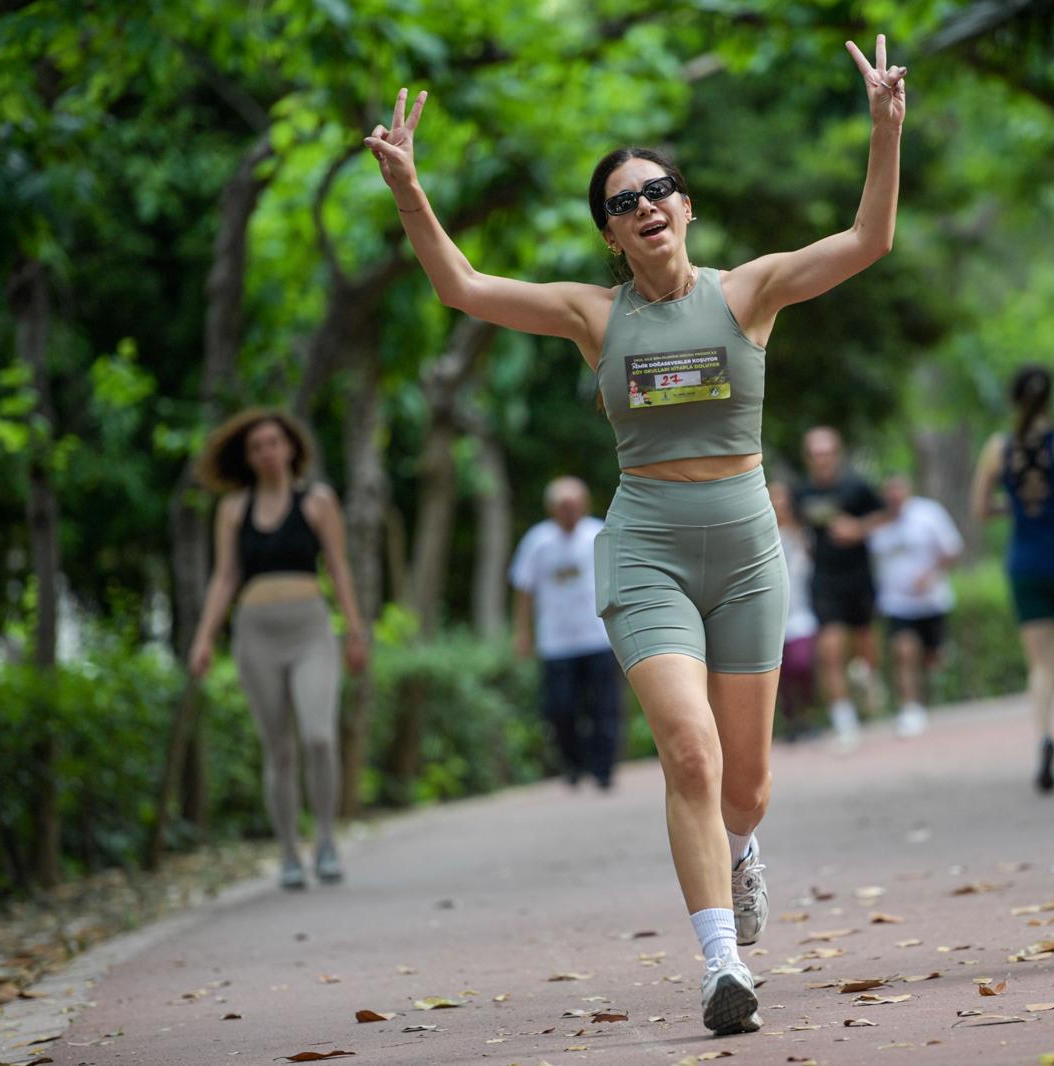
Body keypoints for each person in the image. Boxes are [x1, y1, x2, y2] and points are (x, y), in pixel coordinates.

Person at [364, 34, 904, 1035]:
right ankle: (718, 965)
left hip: (745, 551)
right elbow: (462, 288)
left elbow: (867, 241)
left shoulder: (748, 291)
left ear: (685, 206)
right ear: (610, 235)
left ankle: (741, 850)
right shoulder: (591, 315)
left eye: (658, 189)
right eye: (622, 201)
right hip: (646, 544)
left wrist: (884, 127)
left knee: (745, 782)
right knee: (688, 755)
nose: (644, 206)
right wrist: (408, 186)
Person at [189, 409, 370, 890]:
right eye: (257, 446)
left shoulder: (317, 501)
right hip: (256, 634)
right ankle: (289, 851)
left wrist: (355, 631)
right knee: (279, 748)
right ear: (248, 458)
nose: (267, 452)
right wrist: (204, 638)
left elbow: (338, 567)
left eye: (274, 442)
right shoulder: (232, 509)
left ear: (291, 447)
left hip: (310, 630)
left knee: (319, 737)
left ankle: (327, 841)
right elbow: (225, 576)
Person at [969, 365, 1054, 792]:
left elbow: (981, 508)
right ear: (1050, 400)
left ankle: (1045, 738)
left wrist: (1014, 506)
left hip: (1025, 563)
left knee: (1041, 666)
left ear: (1014, 400)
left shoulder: (998, 447)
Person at [510, 476, 622, 790]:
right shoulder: (537, 541)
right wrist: (522, 632)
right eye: (563, 505)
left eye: (574, 504)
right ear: (552, 509)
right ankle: (574, 764)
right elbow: (523, 589)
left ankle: (603, 770)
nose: (570, 511)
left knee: (604, 708)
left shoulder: (598, 533)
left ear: (584, 505)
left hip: (597, 636)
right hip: (556, 643)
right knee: (560, 709)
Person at [794, 426, 888, 748]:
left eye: (827, 452)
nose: (821, 459)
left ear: (837, 454)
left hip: (858, 577)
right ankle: (843, 719)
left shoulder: (857, 487)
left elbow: (885, 515)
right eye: (815, 453)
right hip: (824, 580)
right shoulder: (801, 492)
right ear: (808, 458)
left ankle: (868, 679)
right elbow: (793, 523)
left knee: (864, 648)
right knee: (830, 649)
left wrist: (858, 528)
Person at [868, 474, 963, 738]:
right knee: (904, 652)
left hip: (932, 601)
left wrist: (931, 574)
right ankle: (910, 708)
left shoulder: (929, 514)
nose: (894, 496)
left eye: (898, 490)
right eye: (889, 491)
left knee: (933, 658)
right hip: (897, 604)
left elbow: (952, 549)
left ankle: (930, 688)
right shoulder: (877, 523)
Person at [769, 480, 818, 742]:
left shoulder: (804, 533)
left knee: (802, 664)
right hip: (773, 616)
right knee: (781, 673)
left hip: (801, 610)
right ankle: (792, 722)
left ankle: (809, 713)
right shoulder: (761, 536)